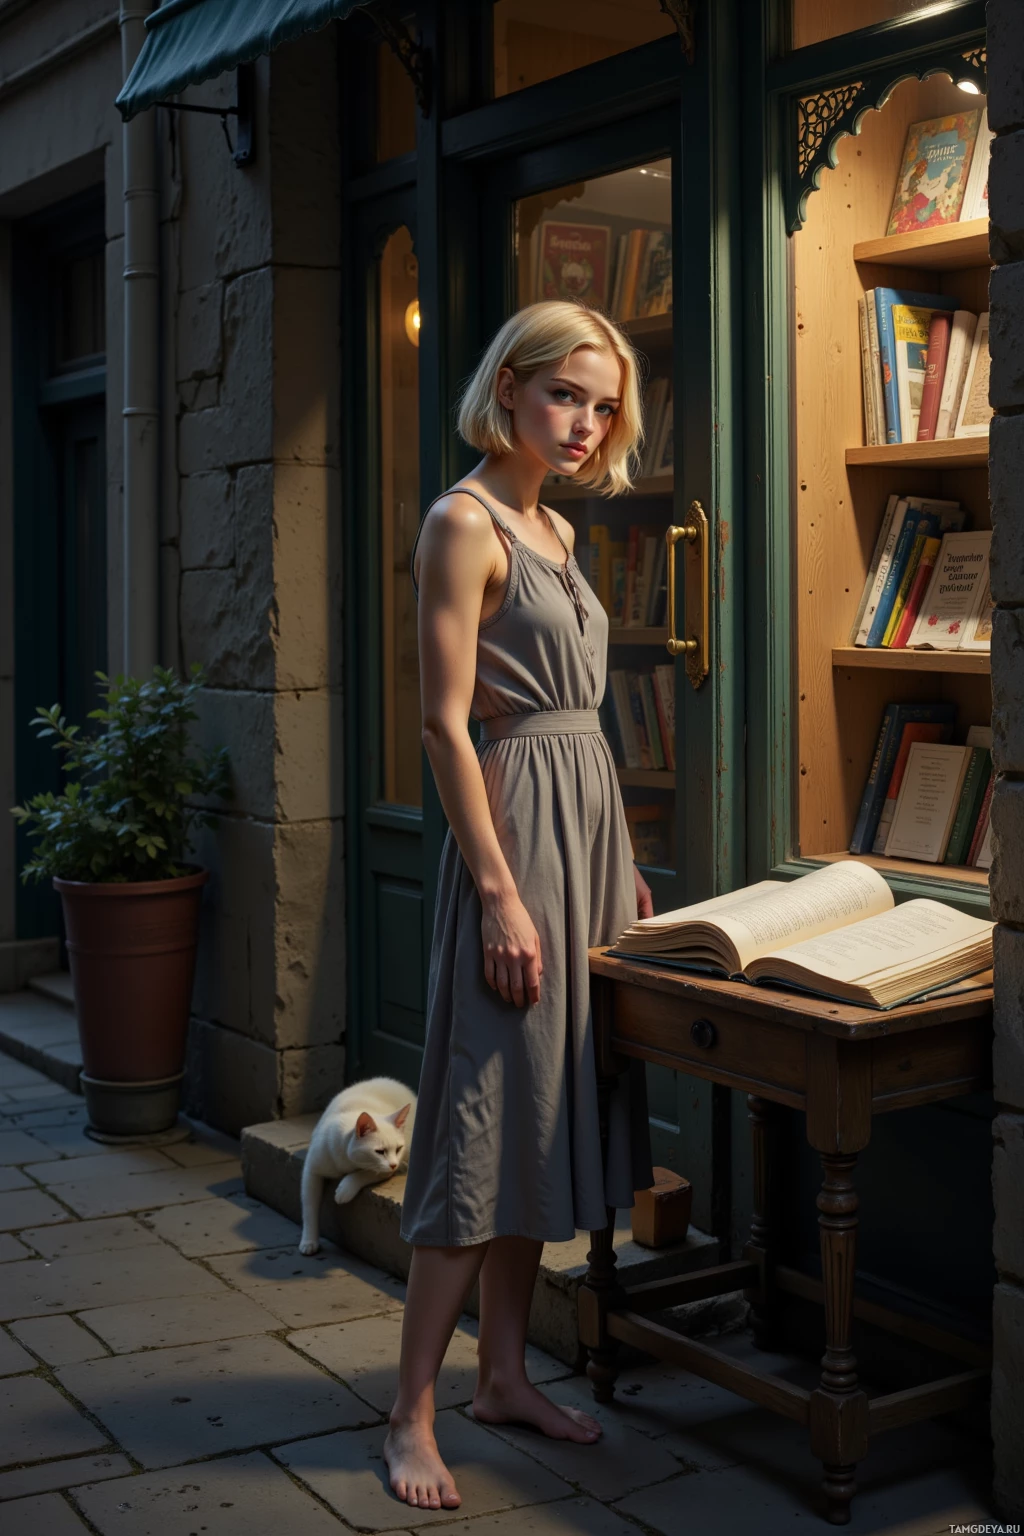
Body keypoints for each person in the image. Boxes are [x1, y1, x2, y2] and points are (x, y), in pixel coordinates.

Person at [383, 299, 655, 1511]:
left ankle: (501, 1378)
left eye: (603, 406)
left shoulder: (557, 528)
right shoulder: (465, 521)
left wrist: (622, 856)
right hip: (515, 847)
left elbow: (579, 723)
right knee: (482, 1119)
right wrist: (497, 894)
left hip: (584, 842)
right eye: (563, 396)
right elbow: (444, 725)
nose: (584, 423)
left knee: (543, 1117)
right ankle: (410, 1413)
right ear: (508, 390)